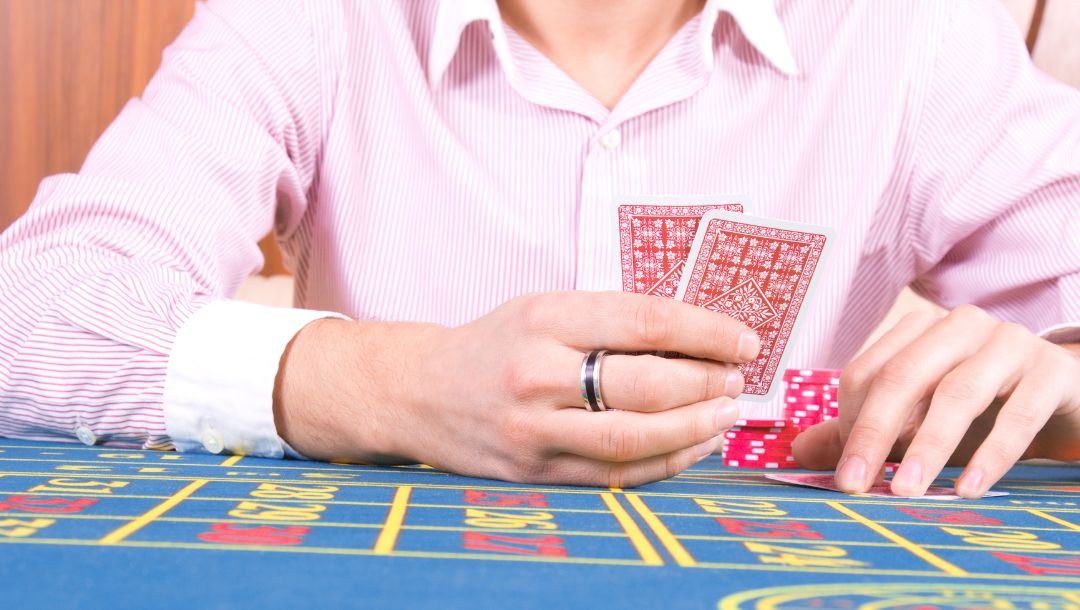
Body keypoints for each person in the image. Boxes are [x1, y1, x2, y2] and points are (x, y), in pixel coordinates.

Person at [0, 0, 1077, 498]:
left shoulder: (914, 34)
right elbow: (34, 307)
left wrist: (1065, 383)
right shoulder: (309, 19)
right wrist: (386, 383)